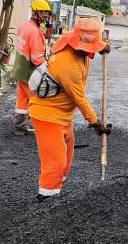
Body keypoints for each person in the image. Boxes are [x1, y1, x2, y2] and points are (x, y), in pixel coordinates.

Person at [28, 17, 111, 200]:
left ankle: (58, 188)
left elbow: (90, 42)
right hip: (47, 115)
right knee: (55, 161)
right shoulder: (68, 66)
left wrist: (103, 46)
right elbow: (80, 99)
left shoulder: (72, 42)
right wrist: (96, 123)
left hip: (63, 115)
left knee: (67, 151)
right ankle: (46, 198)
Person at [11, 0, 52, 135]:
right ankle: (42, 128)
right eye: (42, 12)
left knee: (22, 99)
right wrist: (48, 69)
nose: (45, 16)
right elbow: (37, 58)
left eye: (46, 13)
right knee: (37, 100)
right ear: (35, 12)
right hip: (30, 72)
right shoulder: (35, 32)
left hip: (20, 69)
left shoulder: (24, 26)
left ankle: (20, 127)